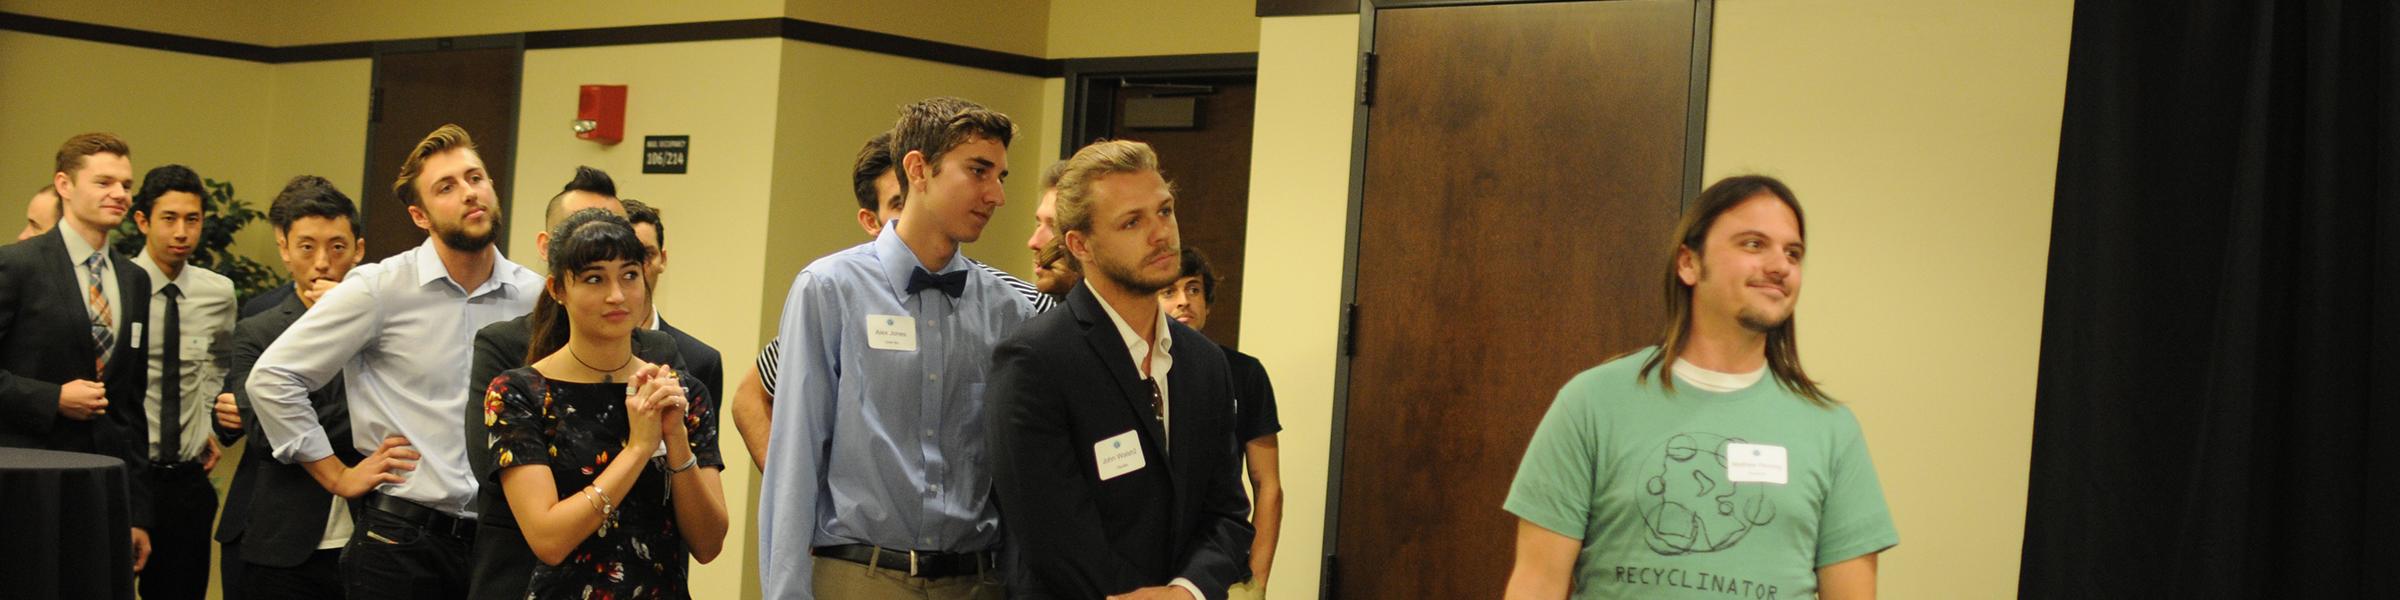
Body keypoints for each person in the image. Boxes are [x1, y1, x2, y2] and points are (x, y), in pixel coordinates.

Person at [1499, 175, 1898, 600]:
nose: (1780, 266)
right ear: (1689, 263)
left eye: (1793, 253)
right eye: (1753, 244)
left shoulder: (1831, 430)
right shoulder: (1592, 402)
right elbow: (1537, 584)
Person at [247, 124, 547, 599]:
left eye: (476, 177)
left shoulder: (535, 296)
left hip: (503, 541)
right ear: (419, 215)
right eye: (446, 187)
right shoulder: (379, 288)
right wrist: (337, 475)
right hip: (401, 542)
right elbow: (272, 378)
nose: (469, 193)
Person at [757, 97, 1026, 599]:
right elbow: (795, 453)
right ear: (919, 170)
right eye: (978, 171)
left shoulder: (1008, 308)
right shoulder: (830, 288)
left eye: (1001, 177)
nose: (996, 195)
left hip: (976, 582)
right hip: (861, 576)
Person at [986, 140, 1253, 600]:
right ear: (1080, 245)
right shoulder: (1035, 360)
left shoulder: (1206, 363)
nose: (1161, 235)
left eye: (1164, 212)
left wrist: (1185, 592)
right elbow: (1051, 535)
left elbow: (1227, 514)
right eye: (1132, 221)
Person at [731, 131, 1048, 470]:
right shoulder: (836, 300)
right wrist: (810, 498)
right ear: (871, 221)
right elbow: (750, 397)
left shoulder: (1018, 305)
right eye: (900, 202)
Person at [462, 167, 706, 600]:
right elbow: (549, 540)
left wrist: (677, 444)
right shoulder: (518, 391)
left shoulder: (677, 385)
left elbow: (708, 544)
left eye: (630, 275)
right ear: (557, 289)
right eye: (595, 279)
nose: (617, 295)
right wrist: (638, 448)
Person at [0, 132, 156, 576]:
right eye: (104, 182)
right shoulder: (17, 265)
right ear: (65, 185)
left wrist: (138, 512)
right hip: (28, 478)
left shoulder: (133, 280)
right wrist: (52, 398)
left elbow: (132, 404)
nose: (119, 194)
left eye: (126, 184)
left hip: (102, 484)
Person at [211, 176, 366, 599]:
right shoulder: (259, 327)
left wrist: (290, 411)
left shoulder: (382, 325)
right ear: (285, 250)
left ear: (358, 250)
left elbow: (404, 417)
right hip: (282, 535)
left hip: (368, 533)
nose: (322, 263)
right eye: (307, 247)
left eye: (336, 247)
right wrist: (362, 411)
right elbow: (263, 433)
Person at [127, 164, 239, 600]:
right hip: (128, 472)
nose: (182, 232)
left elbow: (219, 361)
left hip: (186, 483)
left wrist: (206, 423)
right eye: (169, 218)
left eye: (192, 220)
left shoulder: (219, 293)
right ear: (143, 221)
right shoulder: (120, 286)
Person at [1157, 247, 1282, 600]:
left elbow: (1267, 484)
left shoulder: (1245, 373)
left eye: (1193, 289)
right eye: (1169, 291)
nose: (1183, 301)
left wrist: (1256, 581)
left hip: (1220, 560)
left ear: (1208, 303)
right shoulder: (1138, 370)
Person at [621, 197, 724, 399]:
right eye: (625, 257)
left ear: (663, 260)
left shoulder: (701, 360)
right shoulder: (572, 352)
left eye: (646, 254)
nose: (637, 268)